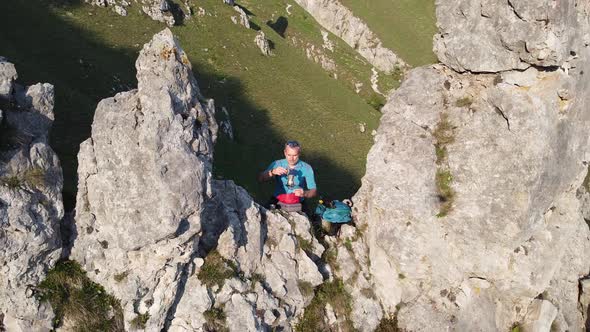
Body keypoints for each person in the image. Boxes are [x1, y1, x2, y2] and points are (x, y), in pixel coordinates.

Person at [258, 140, 317, 206]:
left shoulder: (306, 168)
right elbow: (261, 178)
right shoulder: (277, 164)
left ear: (299, 154)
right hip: (278, 199)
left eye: (295, 155)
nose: (291, 159)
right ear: (285, 153)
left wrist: (304, 193)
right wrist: (272, 172)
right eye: (289, 155)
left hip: (297, 201)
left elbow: (313, 191)